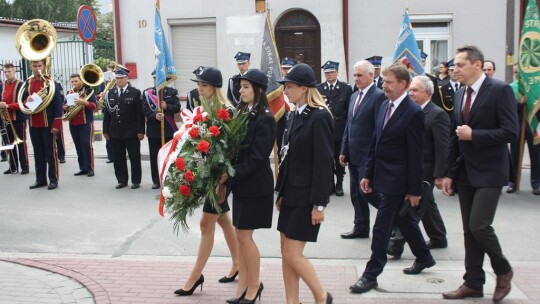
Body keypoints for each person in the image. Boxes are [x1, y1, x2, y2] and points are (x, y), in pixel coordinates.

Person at [349, 64, 435, 294]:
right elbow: (375, 142)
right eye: (383, 81)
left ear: (403, 85)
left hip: (399, 181)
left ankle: (370, 275)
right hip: (381, 176)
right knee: (403, 219)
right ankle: (424, 256)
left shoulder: (413, 112)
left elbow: (416, 155)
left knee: (381, 228)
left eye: (389, 82)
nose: (384, 85)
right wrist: (367, 173)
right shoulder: (384, 106)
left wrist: (414, 190)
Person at [441, 45, 517, 302]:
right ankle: (473, 282)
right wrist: (449, 172)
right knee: (468, 230)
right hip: (465, 172)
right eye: (455, 66)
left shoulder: (500, 90)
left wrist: (475, 135)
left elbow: (510, 132)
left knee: (479, 226)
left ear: (477, 64)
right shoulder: (461, 93)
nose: (456, 70)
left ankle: (503, 270)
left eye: (461, 65)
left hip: (491, 170)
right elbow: (455, 137)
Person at [174, 66, 238, 296]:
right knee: (222, 220)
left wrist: (222, 180)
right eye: (199, 84)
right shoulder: (202, 109)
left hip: (222, 176)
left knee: (205, 224)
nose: (199, 89)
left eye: (204, 85)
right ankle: (238, 264)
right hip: (208, 173)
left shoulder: (228, 111)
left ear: (215, 87)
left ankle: (194, 277)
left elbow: (233, 149)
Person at [275, 63, 334, 304]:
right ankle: (293, 301)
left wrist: (319, 205)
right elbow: (287, 157)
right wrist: (280, 192)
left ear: (304, 88)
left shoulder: (319, 116)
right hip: (290, 194)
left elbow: (323, 163)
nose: (286, 91)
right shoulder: (293, 114)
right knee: (285, 253)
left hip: (307, 196)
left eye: (289, 87)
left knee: (292, 253)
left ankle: (322, 297)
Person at [219, 69, 277, 304]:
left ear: (259, 90)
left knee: (244, 237)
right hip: (242, 184)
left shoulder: (265, 117)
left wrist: (228, 175)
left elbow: (257, 157)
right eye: (240, 86)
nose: (240, 91)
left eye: (246, 87)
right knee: (241, 236)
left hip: (255, 185)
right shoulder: (242, 112)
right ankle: (243, 286)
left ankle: (254, 286)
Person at [387, 75, 451, 258]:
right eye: (410, 89)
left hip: (426, 170)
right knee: (427, 204)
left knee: (412, 208)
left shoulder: (437, 114)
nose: (411, 93)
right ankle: (438, 237)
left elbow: (442, 147)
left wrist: (440, 174)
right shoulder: (410, 110)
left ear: (427, 93)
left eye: (415, 90)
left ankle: (396, 243)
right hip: (411, 167)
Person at [339, 60, 385, 239]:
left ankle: (395, 222)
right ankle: (361, 226)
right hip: (353, 154)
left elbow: (378, 128)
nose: (356, 78)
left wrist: (373, 156)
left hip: (368, 155)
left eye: (359, 75)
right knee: (356, 195)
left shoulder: (378, 96)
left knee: (370, 193)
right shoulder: (353, 96)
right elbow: (349, 125)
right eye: (355, 75)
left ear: (371, 75)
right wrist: (344, 149)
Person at [19, 59, 64, 190]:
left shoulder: (51, 83)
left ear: (44, 67)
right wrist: (27, 100)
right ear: (30, 67)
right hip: (33, 123)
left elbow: (58, 105)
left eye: (39, 66)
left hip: (48, 123)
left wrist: (56, 124)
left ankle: (53, 179)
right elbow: (22, 102)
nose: (37, 68)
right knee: (38, 153)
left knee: (50, 153)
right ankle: (40, 179)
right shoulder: (27, 83)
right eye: (34, 66)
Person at [102, 67, 145, 190]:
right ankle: (122, 180)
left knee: (134, 157)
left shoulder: (135, 93)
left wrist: (141, 131)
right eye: (117, 78)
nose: (119, 80)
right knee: (118, 158)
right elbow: (107, 114)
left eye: (121, 78)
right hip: (115, 131)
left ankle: (136, 180)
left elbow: (139, 114)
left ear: (127, 78)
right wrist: (105, 130)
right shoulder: (110, 93)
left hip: (131, 132)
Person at [317, 60, 352, 196]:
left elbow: (349, 110)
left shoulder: (346, 88)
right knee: (327, 157)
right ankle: (330, 183)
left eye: (331, 72)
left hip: (340, 128)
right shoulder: (319, 88)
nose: (329, 75)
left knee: (339, 157)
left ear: (337, 72)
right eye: (326, 73)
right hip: (325, 128)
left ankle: (339, 184)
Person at [142, 70, 181, 189]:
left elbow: (177, 107)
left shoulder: (171, 92)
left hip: (169, 130)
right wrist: (155, 115)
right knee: (155, 157)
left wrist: (166, 106)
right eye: (155, 78)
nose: (157, 80)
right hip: (154, 131)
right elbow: (145, 109)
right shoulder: (147, 93)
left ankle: (169, 179)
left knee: (170, 157)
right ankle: (156, 181)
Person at [508, 63, 540, 195]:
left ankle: (536, 183)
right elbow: (508, 109)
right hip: (517, 126)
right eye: (515, 72)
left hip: (532, 126)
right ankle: (513, 182)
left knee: (536, 156)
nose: (517, 75)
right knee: (515, 155)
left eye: (520, 73)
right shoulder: (511, 88)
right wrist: (519, 104)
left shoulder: (535, 88)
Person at [0, 63, 29, 174]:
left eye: (9, 72)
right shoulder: (3, 84)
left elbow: (25, 103)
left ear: (14, 72)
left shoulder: (21, 84)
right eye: (5, 72)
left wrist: (8, 106)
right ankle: (13, 166)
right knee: (9, 143)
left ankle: (25, 167)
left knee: (21, 143)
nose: (7, 74)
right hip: (6, 118)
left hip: (18, 118)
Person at [66, 74, 96, 177]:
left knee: (86, 145)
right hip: (73, 123)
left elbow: (94, 106)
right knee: (78, 146)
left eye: (76, 81)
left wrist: (85, 103)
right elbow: (64, 107)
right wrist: (65, 107)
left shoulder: (88, 91)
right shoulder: (69, 93)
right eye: (72, 81)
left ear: (81, 81)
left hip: (85, 122)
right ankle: (82, 168)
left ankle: (90, 168)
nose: (74, 83)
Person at [276, 57, 297, 161]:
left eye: (289, 68)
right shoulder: (277, 86)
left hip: (295, 120)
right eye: (284, 68)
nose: (286, 71)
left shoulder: (298, 85)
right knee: (281, 148)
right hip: (281, 121)